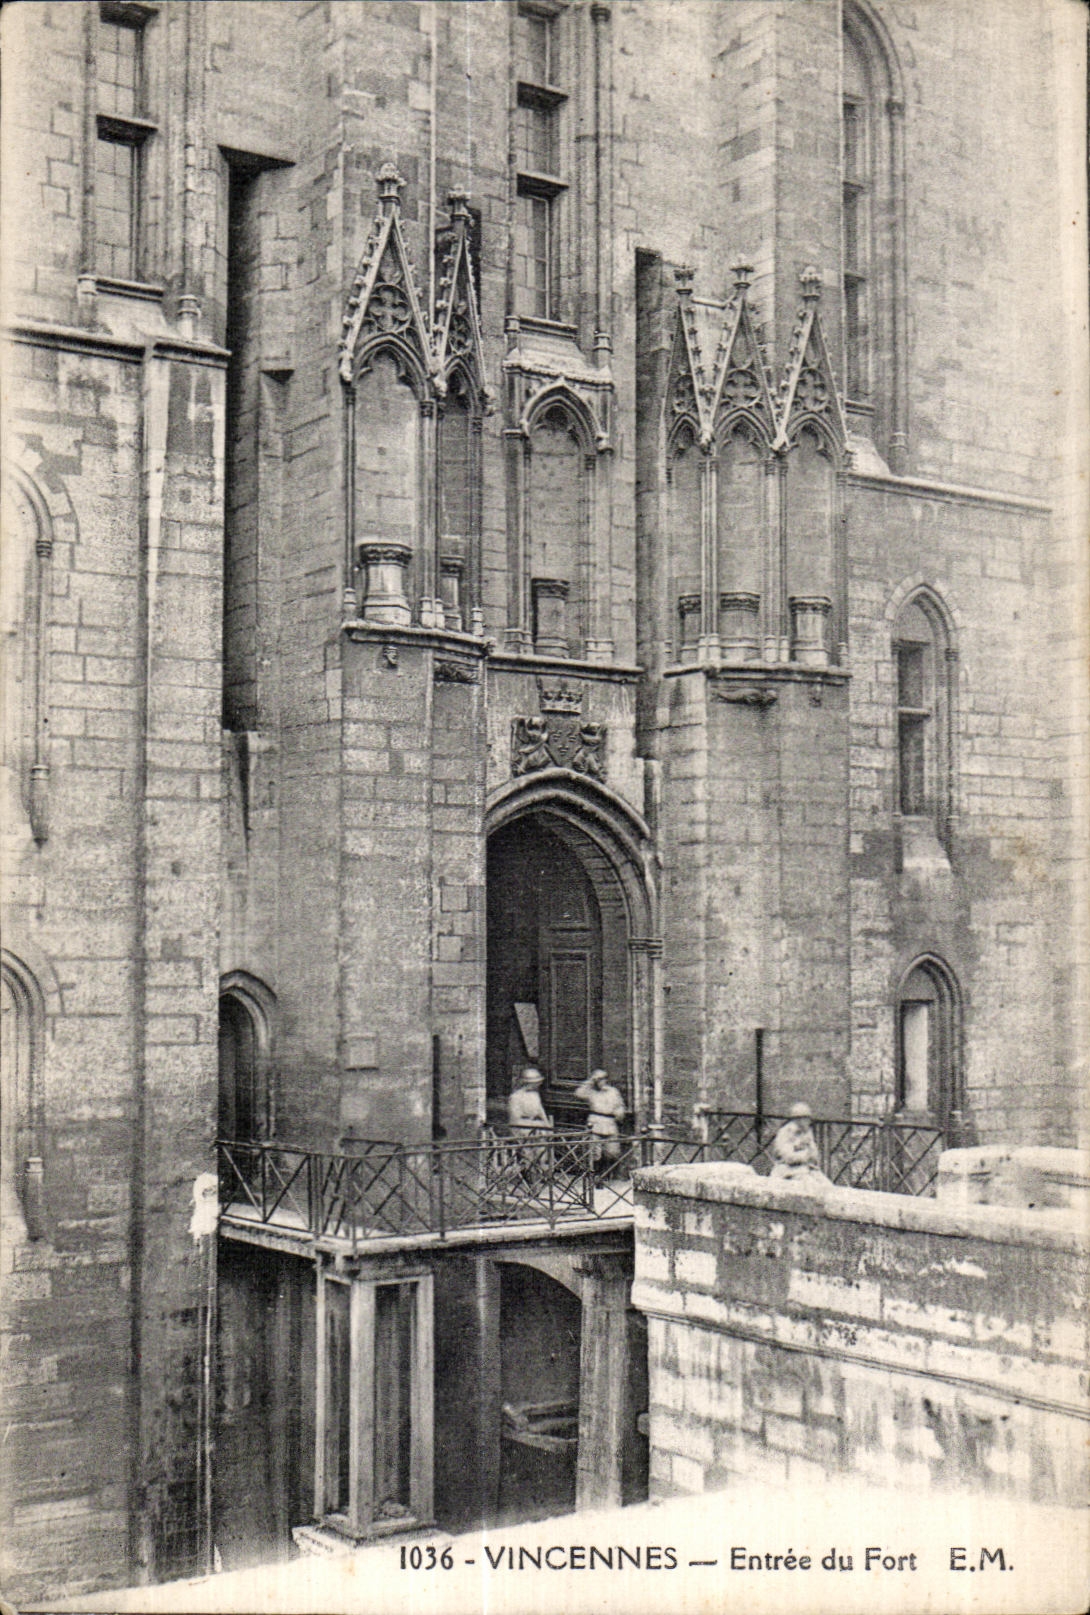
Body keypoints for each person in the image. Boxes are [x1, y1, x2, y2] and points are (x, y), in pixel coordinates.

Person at [575, 1068, 626, 1179]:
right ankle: (596, 1176)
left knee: (612, 1152)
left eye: (603, 1079)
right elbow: (578, 1093)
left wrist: (620, 1113)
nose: (601, 1082)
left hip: (610, 1123)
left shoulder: (613, 1091)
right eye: (598, 1080)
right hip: (595, 1122)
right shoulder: (590, 1092)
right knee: (595, 1152)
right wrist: (590, 1081)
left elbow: (620, 1105)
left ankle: (606, 1174)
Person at [769, 1101, 830, 1185]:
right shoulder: (786, 1132)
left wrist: (810, 1153)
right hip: (788, 1171)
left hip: (808, 1169)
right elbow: (788, 1157)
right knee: (812, 1186)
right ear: (798, 1119)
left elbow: (814, 1155)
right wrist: (805, 1155)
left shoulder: (807, 1132)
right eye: (805, 1119)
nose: (808, 1122)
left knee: (829, 1187)